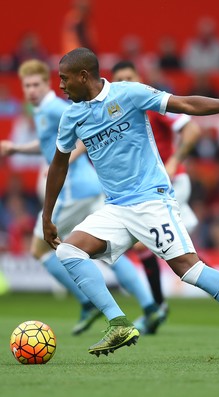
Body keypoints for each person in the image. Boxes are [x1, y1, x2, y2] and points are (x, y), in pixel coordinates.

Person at [43, 47, 219, 361]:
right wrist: (47, 216)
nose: (60, 86)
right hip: (116, 208)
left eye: (64, 79)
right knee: (69, 250)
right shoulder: (72, 115)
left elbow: (185, 103)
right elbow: (58, 164)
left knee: (189, 269)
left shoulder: (129, 94)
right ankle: (118, 322)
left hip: (151, 200)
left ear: (83, 76)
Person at [0, 59, 163, 336]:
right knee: (105, 247)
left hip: (73, 192)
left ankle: (87, 302)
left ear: (47, 83)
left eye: (36, 84)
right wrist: (16, 148)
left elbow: (82, 137)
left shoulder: (55, 107)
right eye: (26, 86)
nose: (31, 90)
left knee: (41, 250)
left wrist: (63, 164)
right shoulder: (42, 111)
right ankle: (149, 306)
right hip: (90, 188)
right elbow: (47, 146)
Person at [111, 60, 219, 333]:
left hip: (171, 183)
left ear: (139, 78)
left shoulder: (149, 103)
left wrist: (174, 161)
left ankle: (157, 309)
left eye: (129, 77)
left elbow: (192, 129)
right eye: (119, 79)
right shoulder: (115, 113)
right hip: (147, 190)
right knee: (183, 256)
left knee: (142, 246)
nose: (125, 82)